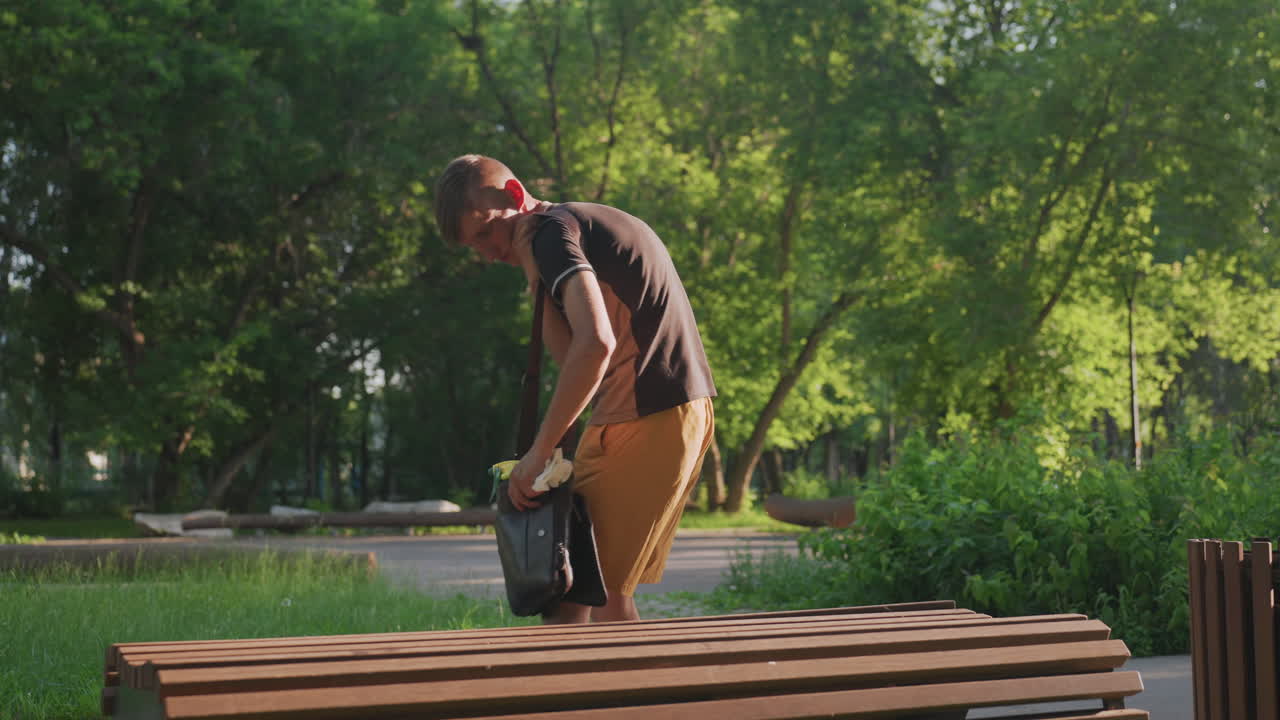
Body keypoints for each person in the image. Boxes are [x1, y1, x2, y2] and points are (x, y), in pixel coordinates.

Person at [434, 154, 716, 624]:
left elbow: (595, 346)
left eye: (485, 230)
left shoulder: (550, 233)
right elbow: (574, 362)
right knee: (589, 593)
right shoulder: (572, 227)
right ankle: (615, 697)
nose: (486, 251)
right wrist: (534, 282)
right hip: (665, 412)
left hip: (645, 417)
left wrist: (539, 452)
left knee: (578, 594)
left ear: (516, 196)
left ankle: (588, 698)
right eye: (473, 245)